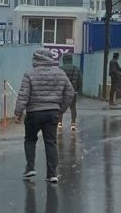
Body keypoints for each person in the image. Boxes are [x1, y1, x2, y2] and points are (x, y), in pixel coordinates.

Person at [14, 48, 75, 183]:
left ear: (35, 59)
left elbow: (23, 95)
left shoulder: (29, 74)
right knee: (51, 142)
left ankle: (30, 167)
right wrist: (60, 109)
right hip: (52, 112)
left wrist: (18, 113)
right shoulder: (60, 73)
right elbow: (70, 92)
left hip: (34, 113)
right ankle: (52, 174)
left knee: (30, 139)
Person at [60, 54, 82, 129]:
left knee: (61, 107)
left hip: (63, 92)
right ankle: (73, 124)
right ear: (71, 59)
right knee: (73, 107)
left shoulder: (60, 69)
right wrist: (78, 90)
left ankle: (60, 123)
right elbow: (80, 81)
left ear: (64, 60)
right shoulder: (76, 68)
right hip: (73, 92)